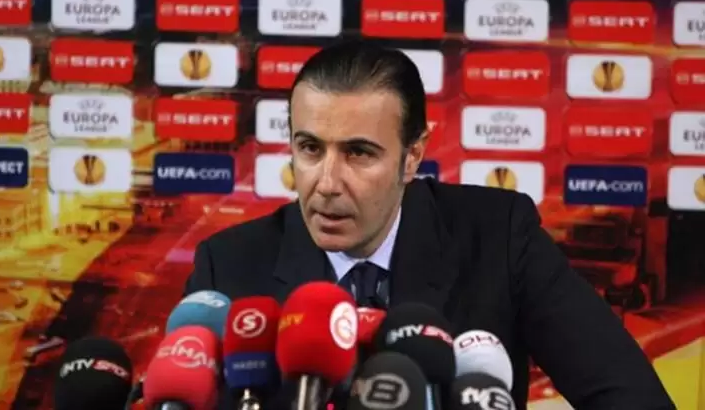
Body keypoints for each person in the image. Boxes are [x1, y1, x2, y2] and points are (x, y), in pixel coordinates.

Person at [184, 41, 674, 409]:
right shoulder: (228, 269)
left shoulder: (500, 237)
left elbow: (630, 397)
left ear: (412, 156)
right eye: (310, 148)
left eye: (359, 153)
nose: (327, 184)